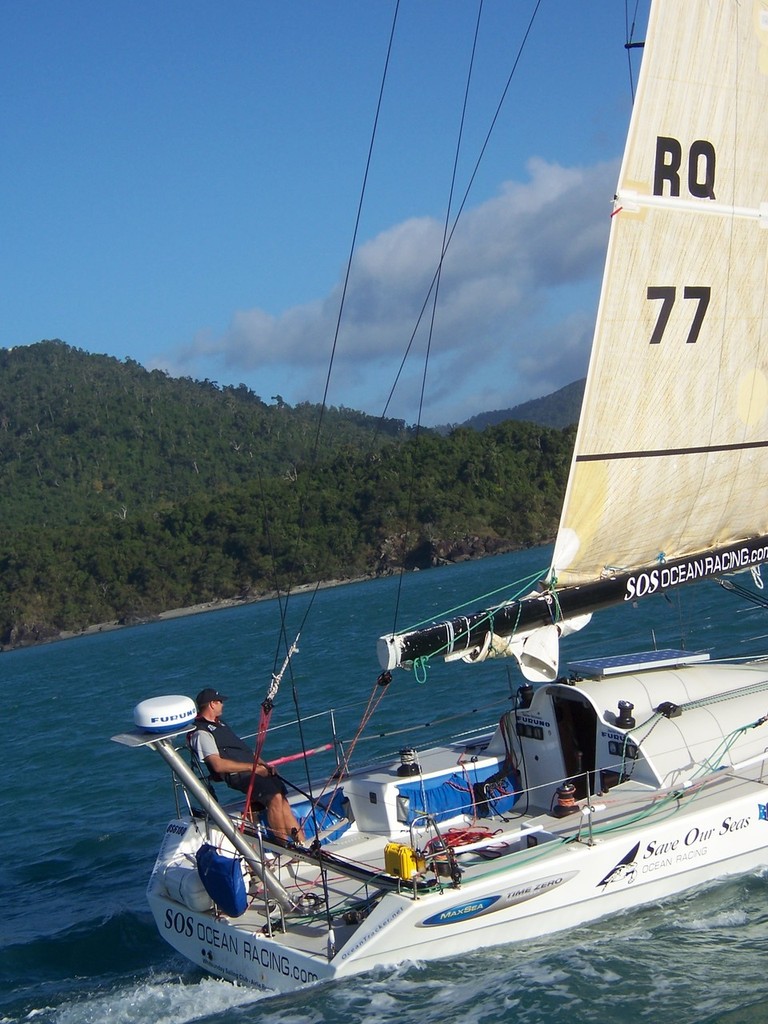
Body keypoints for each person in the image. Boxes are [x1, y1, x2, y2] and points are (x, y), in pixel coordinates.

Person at [189, 688, 306, 845]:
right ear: (212, 704)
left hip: (252, 769)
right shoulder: (201, 733)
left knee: (281, 796)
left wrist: (264, 765)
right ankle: (283, 846)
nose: (222, 705)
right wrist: (253, 768)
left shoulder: (220, 724)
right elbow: (217, 765)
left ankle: (301, 843)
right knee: (275, 798)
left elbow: (245, 751)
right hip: (239, 774)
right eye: (220, 702)